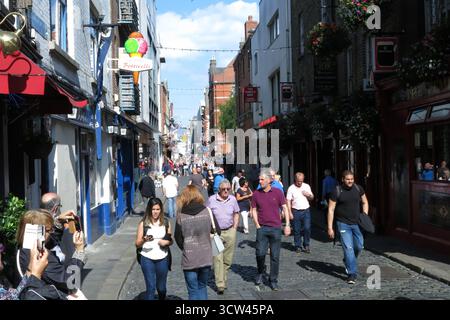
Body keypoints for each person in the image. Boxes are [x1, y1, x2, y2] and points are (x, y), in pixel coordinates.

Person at [17, 210, 86, 294]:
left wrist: (58, 221)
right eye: (49, 230)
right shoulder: (40, 256)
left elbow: (51, 238)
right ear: (37, 232)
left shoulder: (25, 246)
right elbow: (68, 280)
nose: (51, 233)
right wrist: (79, 252)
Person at [175, 185, 220, 300]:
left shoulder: (181, 215)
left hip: (189, 258)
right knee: (202, 287)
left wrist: (186, 247)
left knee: (193, 291)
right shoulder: (207, 211)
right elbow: (217, 231)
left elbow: (178, 238)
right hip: (205, 256)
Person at [251, 169, 291, 291]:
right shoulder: (256, 194)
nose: (260, 181)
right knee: (260, 253)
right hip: (262, 228)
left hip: (275, 228)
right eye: (259, 179)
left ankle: (273, 280)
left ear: (269, 180)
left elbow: (284, 208)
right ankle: (260, 271)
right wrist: (257, 224)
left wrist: (287, 224)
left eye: (262, 179)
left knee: (275, 256)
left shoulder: (278, 192)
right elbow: (253, 209)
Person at [327, 170, 369, 284]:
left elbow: (365, 202)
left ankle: (348, 260)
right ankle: (352, 273)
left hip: (357, 224)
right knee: (348, 248)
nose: (350, 181)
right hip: (342, 223)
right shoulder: (336, 191)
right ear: (342, 179)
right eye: (347, 179)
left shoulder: (358, 188)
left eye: (352, 179)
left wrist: (364, 216)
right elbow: (331, 210)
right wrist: (330, 227)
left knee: (359, 246)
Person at [206, 180, 240, 295]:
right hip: (216, 233)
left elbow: (236, 213)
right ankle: (220, 284)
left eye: (228, 189)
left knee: (227, 259)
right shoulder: (211, 200)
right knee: (217, 258)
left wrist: (235, 228)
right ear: (219, 190)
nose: (226, 191)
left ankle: (223, 278)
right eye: (223, 189)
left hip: (230, 231)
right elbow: (206, 214)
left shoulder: (233, 199)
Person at [135, 198, 173, 300]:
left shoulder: (166, 222)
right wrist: (144, 239)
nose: (155, 212)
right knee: (151, 287)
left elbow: (170, 240)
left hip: (163, 258)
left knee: (161, 288)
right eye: (153, 209)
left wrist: (166, 242)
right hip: (147, 258)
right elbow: (137, 244)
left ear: (161, 210)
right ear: (149, 209)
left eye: (157, 209)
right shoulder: (143, 224)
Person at [286, 173, 314, 254]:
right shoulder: (291, 188)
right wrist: (290, 212)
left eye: (301, 181)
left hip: (306, 210)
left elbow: (312, 197)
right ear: (295, 179)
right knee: (296, 229)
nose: (300, 183)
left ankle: (306, 244)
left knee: (307, 228)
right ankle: (298, 245)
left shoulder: (306, 186)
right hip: (296, 211)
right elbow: (288, 201)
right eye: (298, 181)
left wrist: (308, 195)